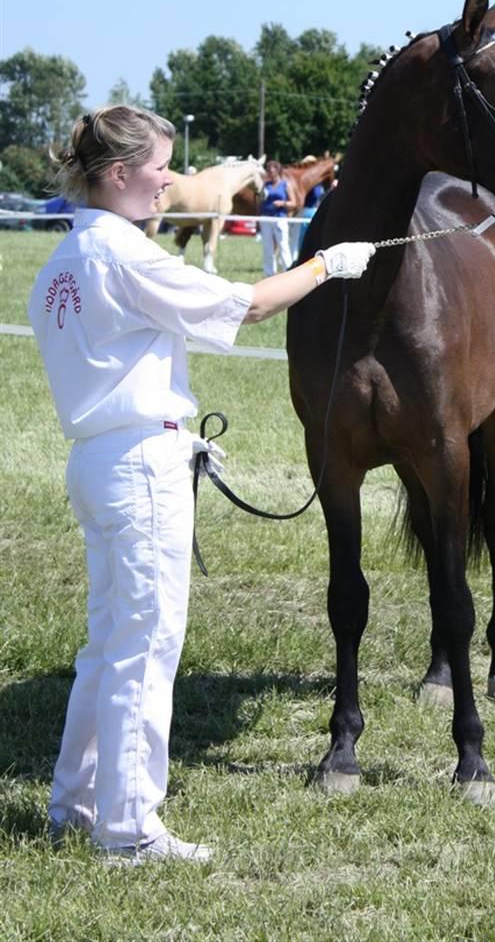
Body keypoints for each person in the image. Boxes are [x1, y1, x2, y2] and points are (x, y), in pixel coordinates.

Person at [27, 106, 374, 866]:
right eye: (160, 168)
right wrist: (326, 265)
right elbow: (244, 304)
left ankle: (75, 802)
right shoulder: (124, 256)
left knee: (108, 645)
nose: (170, 183)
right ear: (119, 174)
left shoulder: (62, 261)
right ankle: (128, 827)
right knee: (145, 648)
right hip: (138, 466)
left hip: (95, 459)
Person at [258, 160, 294, 276]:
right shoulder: (265, 185)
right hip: (266, 218)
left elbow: (293, 203)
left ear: (278, 171)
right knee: (267, 247)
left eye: (272, 171)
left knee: (283, 245)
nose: (270, 174)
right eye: (268, 171)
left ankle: (287, 271)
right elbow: (259, 200)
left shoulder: (285, 185)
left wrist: (282, 203)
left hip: (279, 218)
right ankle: (269, 273)